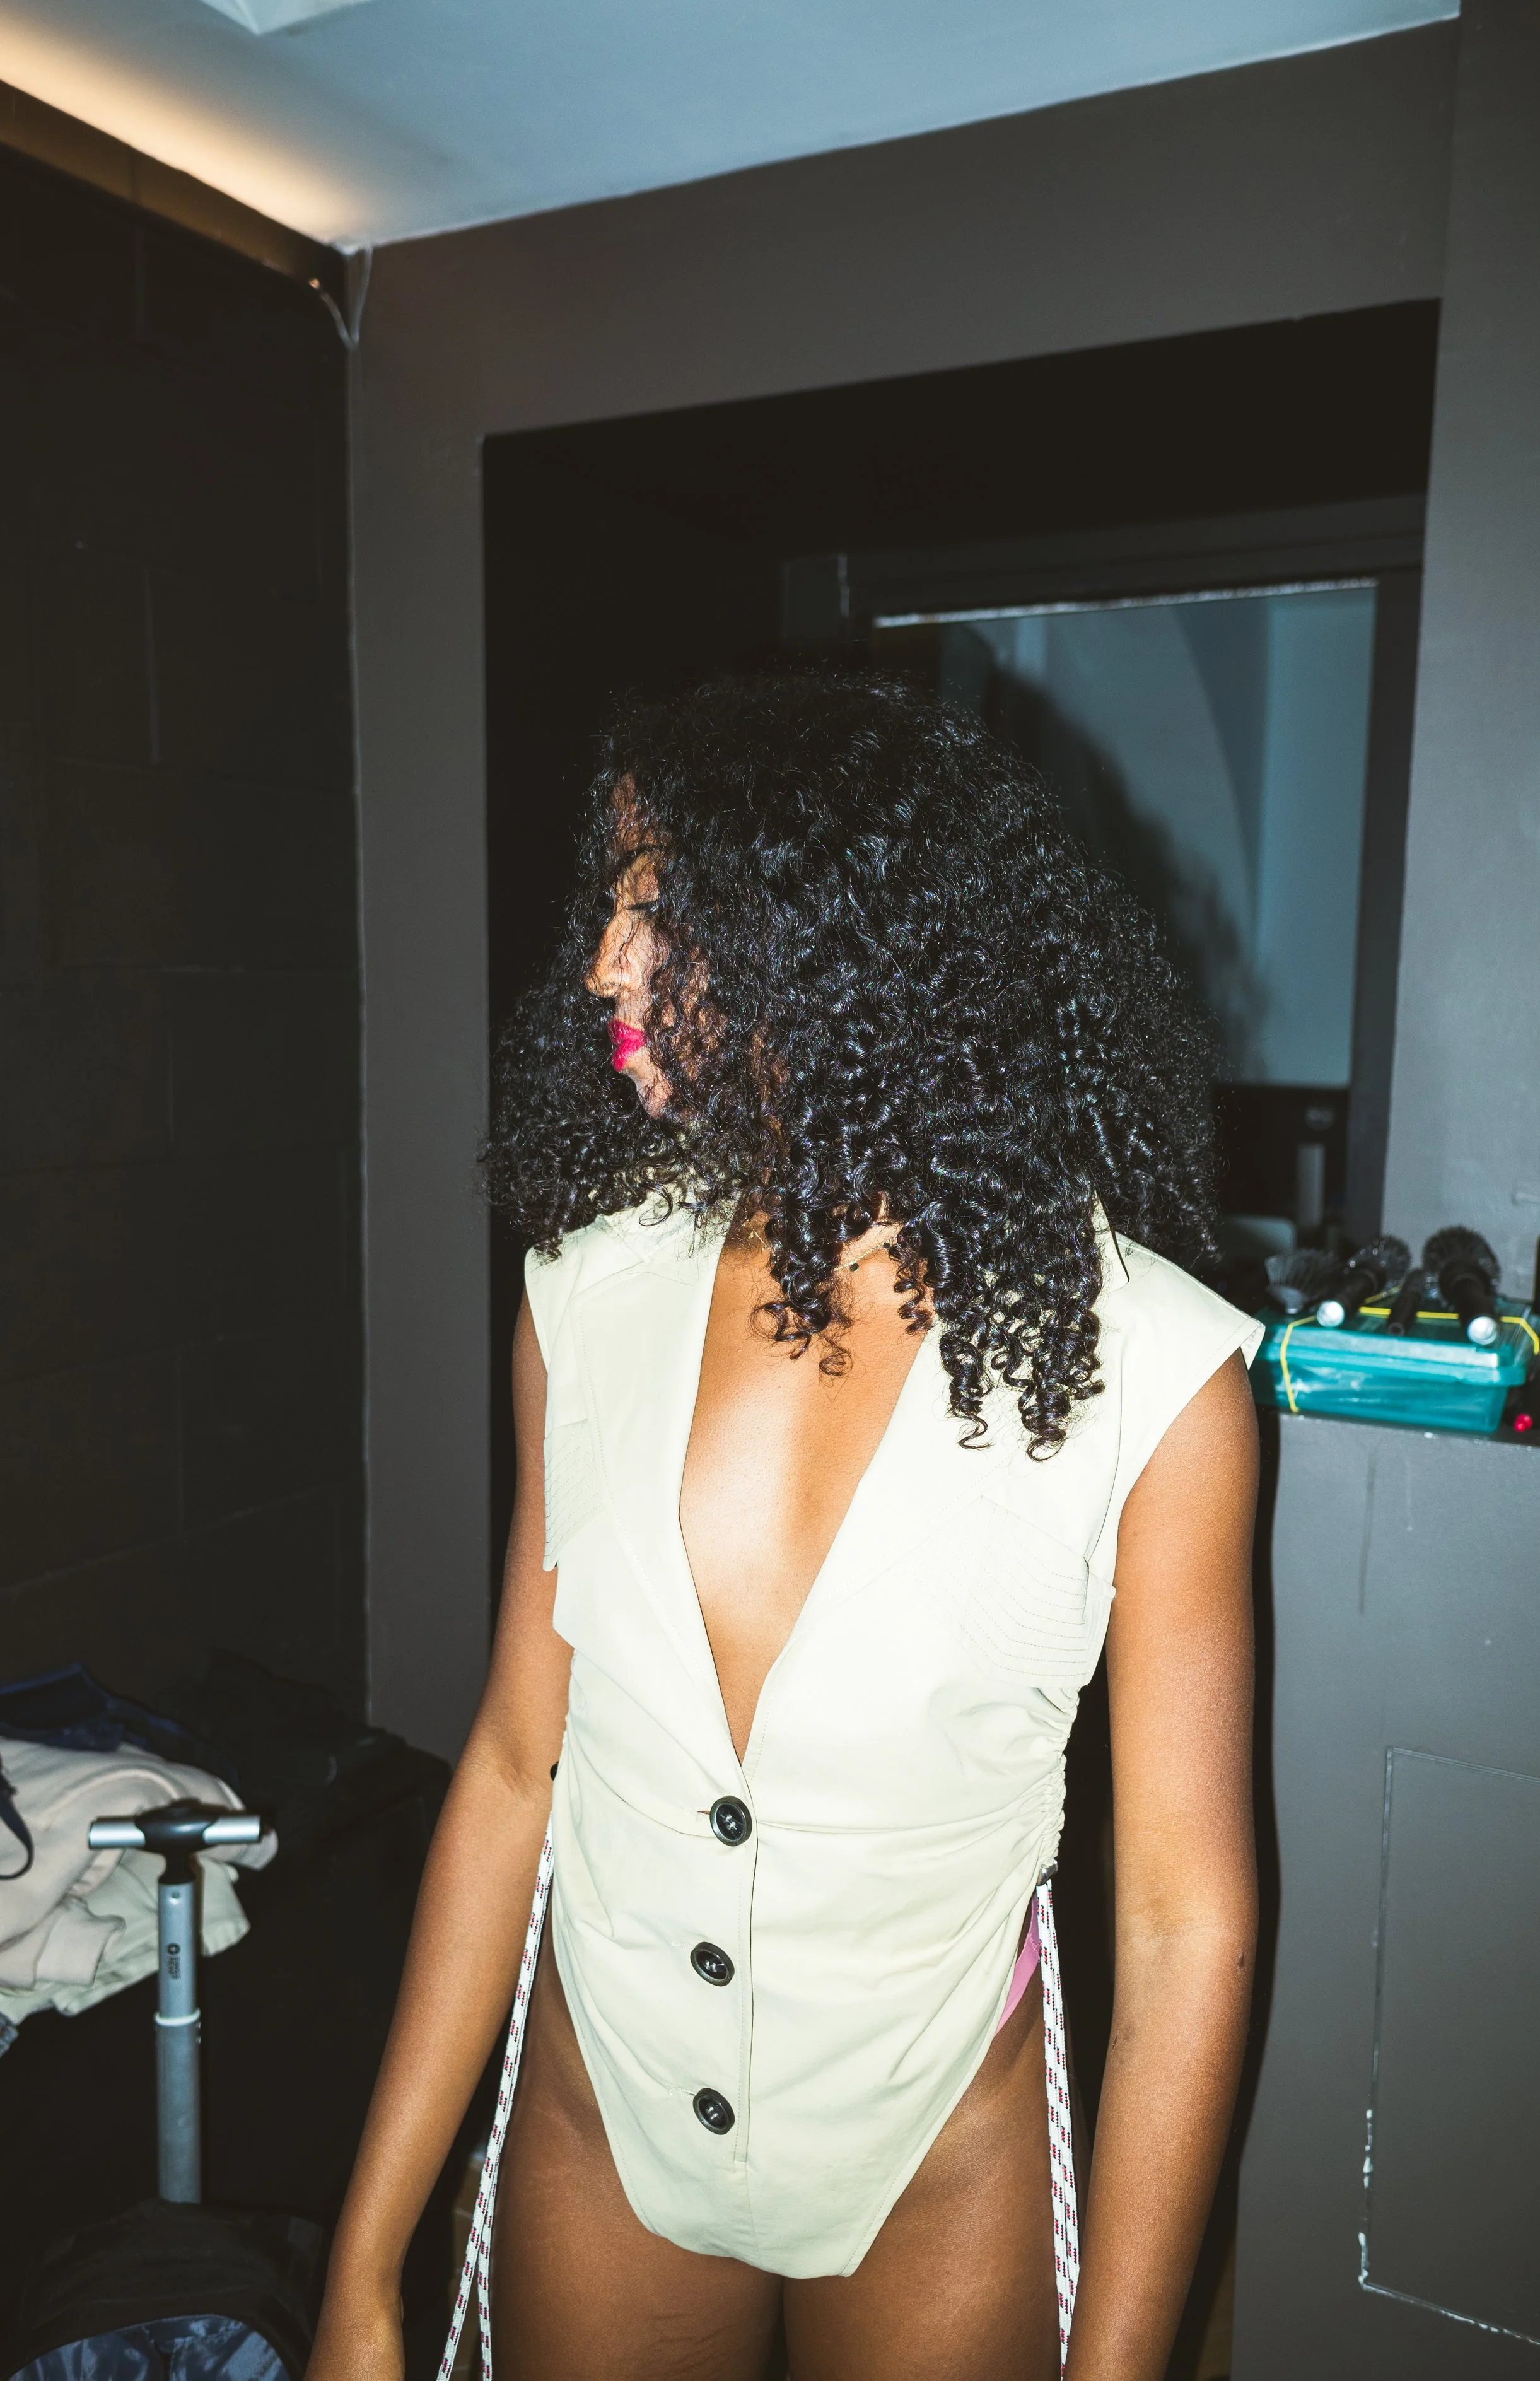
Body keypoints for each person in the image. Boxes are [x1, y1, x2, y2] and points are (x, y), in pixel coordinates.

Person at [306, 674, 1261, 2381]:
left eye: (655, 905)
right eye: (610, 901)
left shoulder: (1157, 1376)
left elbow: (1187, 1915)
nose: (601, 960)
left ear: (837, 938)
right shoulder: (582, 1301)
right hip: (599, 2139)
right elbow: (519, 1762)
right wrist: (364, 2265)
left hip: (935, 2160)